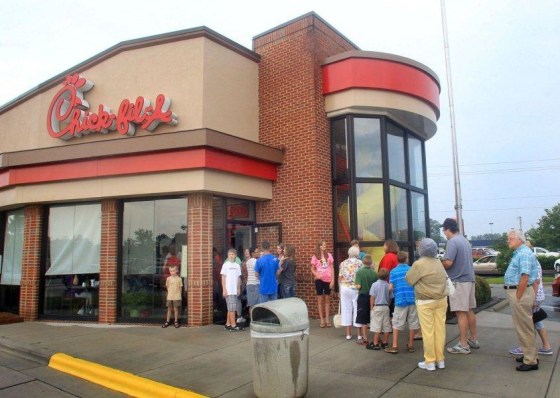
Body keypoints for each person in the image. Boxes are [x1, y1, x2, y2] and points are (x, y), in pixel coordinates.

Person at [406, 238, 448, 371]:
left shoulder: (419, 264)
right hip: (441, 300)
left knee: (428, 332)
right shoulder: (438, 263)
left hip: (425, 301)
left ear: (421, 249)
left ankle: (430, 361)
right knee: (440, 330)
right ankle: (440, 360)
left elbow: (409, 279)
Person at [441, 218, 479, 354]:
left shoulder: (452, 242)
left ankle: (463, 345)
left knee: (460, 312)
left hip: (458, 281)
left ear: (447, 229)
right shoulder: (464, 240)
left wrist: (438, 265)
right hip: (469, 279)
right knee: (469, 310)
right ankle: (473, 339)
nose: (444, 234)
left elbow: (449, 262)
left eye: (444, 231)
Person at [504, 229, 540, 371]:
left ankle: (530, 361)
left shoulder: (524, 253)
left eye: (511, 238)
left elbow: (525, 277)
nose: (508, 240)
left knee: (524, 327)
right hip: (521, 293)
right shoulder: (521, 252)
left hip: (521, 293)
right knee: (525, 327)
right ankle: (529, 355)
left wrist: (518, 296)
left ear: (519, 239)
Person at [509, 258, 553, 356]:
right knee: (536, 321)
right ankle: (546, 347)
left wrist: (533, 299)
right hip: (538, 295)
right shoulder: (534, 261)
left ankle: (525, 348)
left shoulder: (528, 261)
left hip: (533, 296)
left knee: (526, 322)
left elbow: (535, 281)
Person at [385, 251, 420, 354]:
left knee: (396, 323)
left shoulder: (393, 272)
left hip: (400, 300)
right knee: (412, 322)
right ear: (406, 259)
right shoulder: (411, 270)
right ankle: (410, 345)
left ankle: (395, 346)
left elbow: (390, 287)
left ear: (397, 260)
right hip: (412, 299)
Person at [339, 246, 363, 341]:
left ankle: (348, 334)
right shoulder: (360, 263)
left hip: (345, 288)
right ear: (357, 253)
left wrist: (340, 290)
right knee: (357, 310)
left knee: (346, 310)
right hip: (356, 288)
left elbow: (340, 277)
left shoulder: (343, 263)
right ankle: (359, 334)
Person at [354, 254, 377, 346]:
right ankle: (377, 337)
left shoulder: (359, 272)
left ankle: (365, 338)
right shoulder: (374, 273)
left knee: (363, 319)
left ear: (363, 262)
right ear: (371, 262)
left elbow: (358, 286)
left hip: (363, 296)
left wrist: (354, 285)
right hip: (372, 297)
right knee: (373, 318)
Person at [311, 240, 335, 328]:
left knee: (327, 299)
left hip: (328, 279)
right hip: (319, 280)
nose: (324, 246)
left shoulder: (329, 256)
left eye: (325, 244)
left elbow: (332, 268)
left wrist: (333, 281)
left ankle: (327, 319)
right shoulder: (315, 256)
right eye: (322, 245)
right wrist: (317, 275)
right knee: (320, 299)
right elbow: (312, 269)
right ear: (319, 246)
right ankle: (321, 319)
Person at [367, 268, 392, 350]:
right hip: (385, 306)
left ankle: (375, 343)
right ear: (387, 277)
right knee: (386, 326)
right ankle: (385, 342)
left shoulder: (374, 285)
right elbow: (391, 297)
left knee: (377, 325)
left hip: (377, 306)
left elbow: (372, 297)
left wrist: (371, 307)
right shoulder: (388, 285)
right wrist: (388, 304)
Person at [221, 248, 243, 331]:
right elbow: (223, 278)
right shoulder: (225, 265)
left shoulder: (237, 266)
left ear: (235, 256)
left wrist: (238, 288)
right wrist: (224, 289)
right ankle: (233, 325)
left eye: (233, 254)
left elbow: (238, 278)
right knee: (232, 308)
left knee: (230, 308)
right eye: (229, 254)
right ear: (227, 255)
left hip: (234, 290)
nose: (231, 256)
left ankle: (228, 324)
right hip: (228, 290)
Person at [243, 246, 260, 319]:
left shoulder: (248, 262)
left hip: (249, 284)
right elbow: (258, 273)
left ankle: (252, 320)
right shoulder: (256, 261)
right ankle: (257, 320)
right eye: (257, 252)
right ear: (253, 253)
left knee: (251, 304)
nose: (259, 253)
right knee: (257, 304)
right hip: (256, 284)